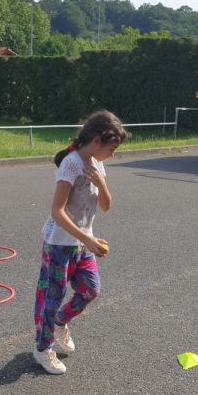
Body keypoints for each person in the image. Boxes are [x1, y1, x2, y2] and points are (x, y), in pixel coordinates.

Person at [33, 109, 129, 374]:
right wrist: (87, 238)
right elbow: (57, 211)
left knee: (90, 290)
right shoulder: (71, 164)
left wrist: (101, 183)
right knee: (51, 298)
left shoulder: (97, 164)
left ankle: (61, 322)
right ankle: (42, 349)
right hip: (59, 244)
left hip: (82, 243)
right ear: (97, 140)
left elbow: (106, 206)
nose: (113, 154)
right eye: (112, 148)